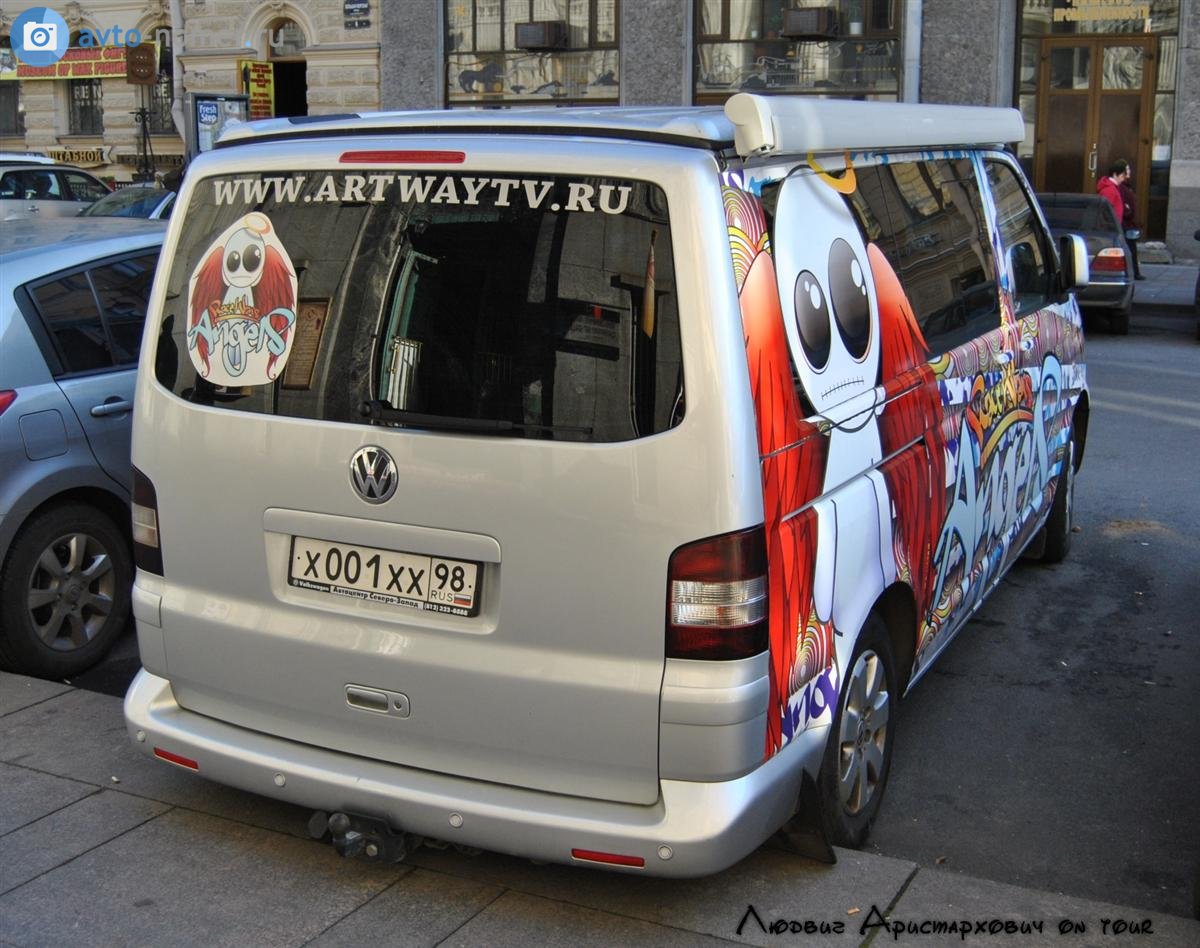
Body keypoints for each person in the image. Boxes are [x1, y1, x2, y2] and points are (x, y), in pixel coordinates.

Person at [1118, 167, 1145, 280]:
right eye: (1127, 170)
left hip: (1129, 223)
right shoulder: (1121, 188)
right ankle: (1133, 272)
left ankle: (1134, 272)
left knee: (1131, 248)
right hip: (1125, 223)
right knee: (1129, 248)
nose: (1129, 172)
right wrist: (1128, 212)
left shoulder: (1126, 187)